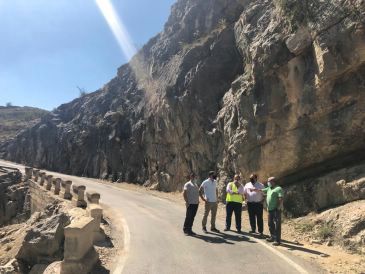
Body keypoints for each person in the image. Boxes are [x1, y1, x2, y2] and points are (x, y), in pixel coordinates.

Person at [261, 177, 284, 246]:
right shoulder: (269, 189)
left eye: (269, 181)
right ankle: (272, 237)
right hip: (270, 209)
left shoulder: (278, 188)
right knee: (270, 223)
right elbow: (262, 190)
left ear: (273, 182)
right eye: (268, 181)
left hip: (276, 210)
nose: (268, 183)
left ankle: (277, 240)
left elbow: (280, 198)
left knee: (277, 225)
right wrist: (254, 190)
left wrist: (277, 207)